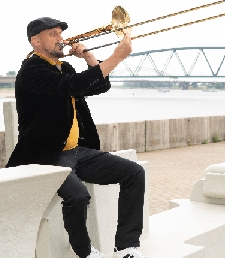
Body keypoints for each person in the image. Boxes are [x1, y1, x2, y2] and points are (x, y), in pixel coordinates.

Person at [6, 17, 146, 258]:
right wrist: (118, 56)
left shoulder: (64, 68)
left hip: (78, 152)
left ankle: (126, 247)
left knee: (134, 173)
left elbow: (98, 86)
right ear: (35, 41)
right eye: (53, 34)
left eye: (60, 33)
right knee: (78, 195)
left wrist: (90, 57)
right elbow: (74, 84)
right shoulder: (32, 70)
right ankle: (85, 252)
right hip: (47, 155)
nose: (61, 38)